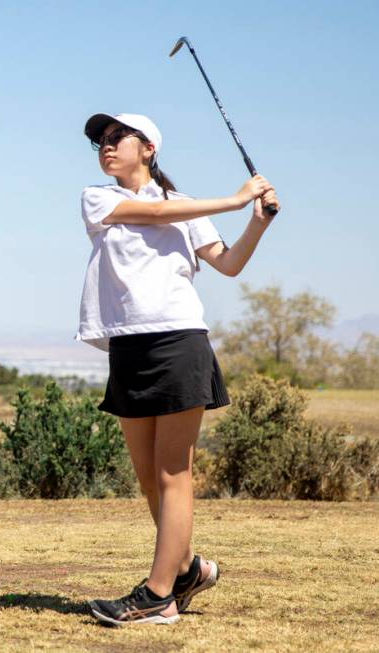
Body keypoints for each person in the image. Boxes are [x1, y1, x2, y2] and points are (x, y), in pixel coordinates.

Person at [75, 113, 280, 626]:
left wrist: (256, 220)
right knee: (148, 476)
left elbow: (228, 264)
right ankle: (187, 569)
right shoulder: (98, 198)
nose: (106, 145)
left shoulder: (185, 208)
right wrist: (233, 200)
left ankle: (159, 594)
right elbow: (153, 217)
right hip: (127, 346)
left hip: (178, 340)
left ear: (147, 148)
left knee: (173, 474)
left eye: (115, 137)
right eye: (100, 140)